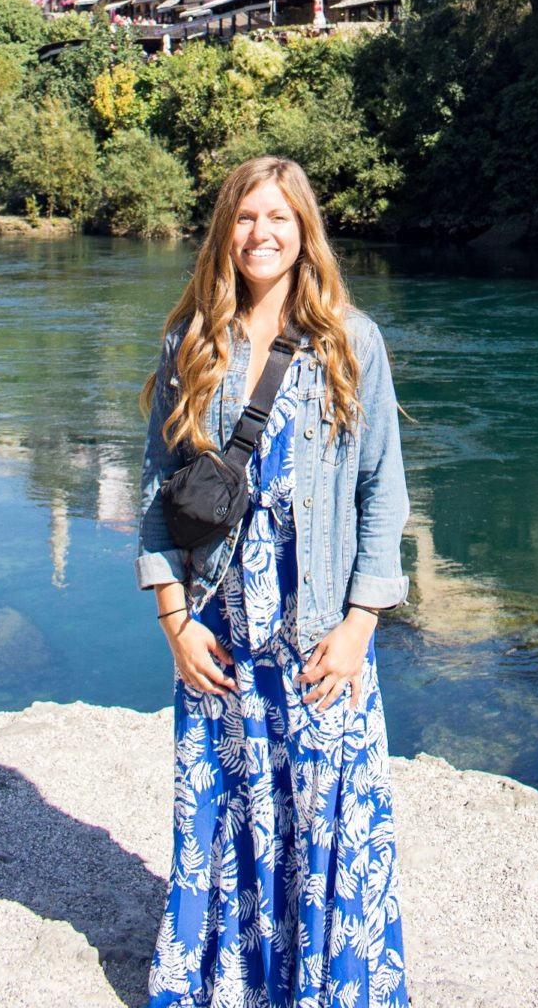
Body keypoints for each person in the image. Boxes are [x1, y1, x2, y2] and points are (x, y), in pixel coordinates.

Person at [138, 155, 409, 1007]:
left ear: (304, 234)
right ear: (227, 230)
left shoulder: (348, 341)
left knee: (326, 821)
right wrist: (176, 625)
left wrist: (361, 626)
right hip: (219, 640)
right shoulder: (192, 341)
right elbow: (155, 490)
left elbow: (382, 492)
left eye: (279, 219)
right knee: (224, 824)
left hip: (318, 639)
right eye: (247, 217)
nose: (262, 233)